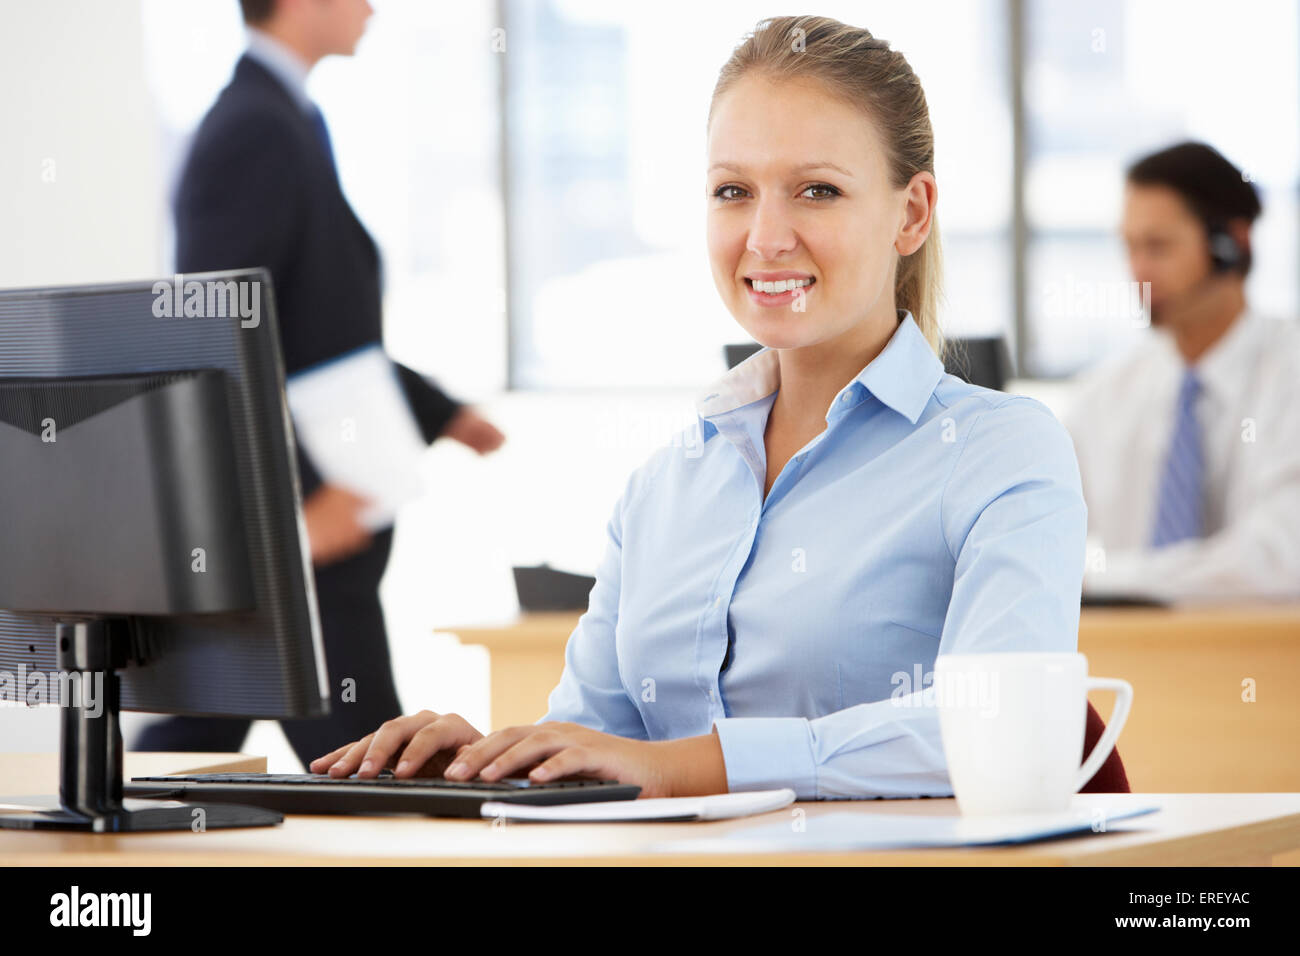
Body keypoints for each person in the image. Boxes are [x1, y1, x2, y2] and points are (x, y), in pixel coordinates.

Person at [310, 15, 1088, 799]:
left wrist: (685, 768)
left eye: (817, 190)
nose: (767, 235)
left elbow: (1001, 725)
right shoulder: (664, 488)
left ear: (912, 214)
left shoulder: (1000, 451)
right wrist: (495, 768)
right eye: (733, 192)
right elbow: (598, 745)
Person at [135, 0, 505, 767]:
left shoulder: (289, 117)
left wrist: (441, 410)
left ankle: (97, 825)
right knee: (376, 762)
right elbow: (210, 330)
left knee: (199, 735)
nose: (373, 6)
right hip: (306, 529)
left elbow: (310, 326)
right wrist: (299, 495)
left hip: (313, 519)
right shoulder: (255, 128)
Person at [1063, 142, 1300, 603]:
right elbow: (1040, 524)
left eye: (1158, 246)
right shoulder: (1106, 393)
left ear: (1231, 244)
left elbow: (1280, 560)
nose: (1138, 271)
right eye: (1130, 247)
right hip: (1136, 663)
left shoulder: (1290, 376)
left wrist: (1108, 581)